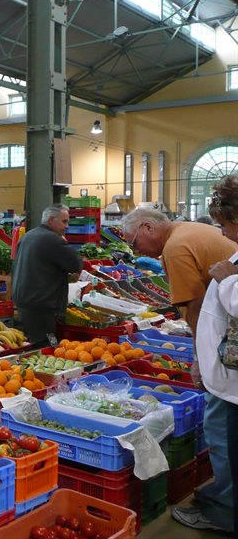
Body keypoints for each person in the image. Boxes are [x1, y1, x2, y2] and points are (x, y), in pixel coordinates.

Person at [121, 206, 237, 533]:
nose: (135, 250)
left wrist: (201, 358)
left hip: (227, 357)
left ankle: (223, 510)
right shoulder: (187, 230)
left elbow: (197, 308)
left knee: (221, 429)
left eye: (134, 241)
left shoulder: (175, 247)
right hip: (230, 348)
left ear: (147, 226)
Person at [185, 178, 238, 536]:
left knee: (225, 447)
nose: (220, 228)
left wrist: (229, 280)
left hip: (230, 382)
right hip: (223, 375)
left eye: (224, 220)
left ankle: (224, 512)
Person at [12, 204, 83, 346]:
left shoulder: (28, 236)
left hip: (25, 302)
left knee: (33, 341)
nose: (67, 226)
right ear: (51, 220)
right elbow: (75, 264)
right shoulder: (53, 240)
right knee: (48, 343)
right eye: (64, 221)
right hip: (42, 306)